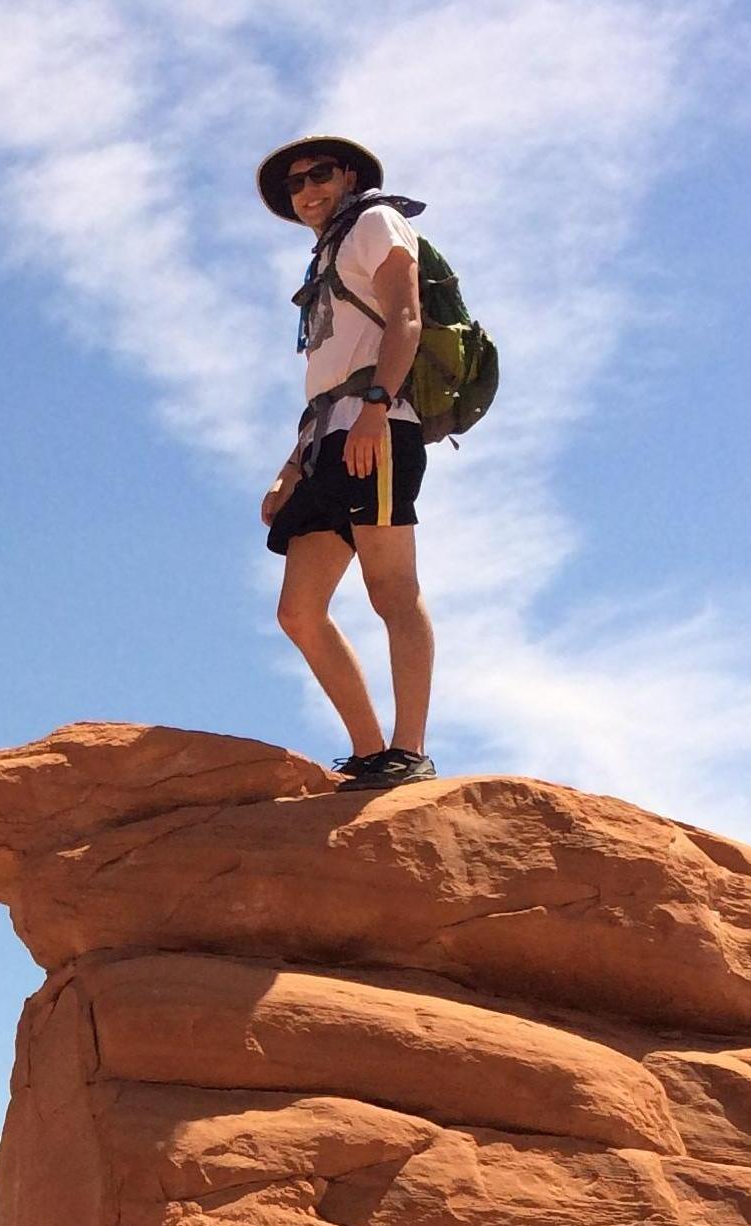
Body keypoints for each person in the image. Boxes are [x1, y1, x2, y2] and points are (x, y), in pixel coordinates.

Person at [257, 136, 436, 791]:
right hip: (326, 436)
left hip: (378, 423)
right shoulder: (326, 255)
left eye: (319, 175)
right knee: (298, 612)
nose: (307, 190)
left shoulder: (374, 222)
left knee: (392, 591)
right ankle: (370, 755)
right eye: (295, 185)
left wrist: (375, 409)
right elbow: (326, 375)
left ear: (349, 174)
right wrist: (292, 465)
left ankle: (408, 751)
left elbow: (406, 320)